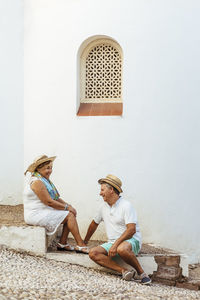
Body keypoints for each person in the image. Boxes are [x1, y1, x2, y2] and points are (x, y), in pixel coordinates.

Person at [84, 174, 151, 284]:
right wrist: (84, 242)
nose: (100, 193)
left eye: (102, 190)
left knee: (122, 249)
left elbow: (131, 230)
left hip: (131, 241)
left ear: (111, 190)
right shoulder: (103, 207)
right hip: (113, 243)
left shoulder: (126, 205)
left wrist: (115, 245)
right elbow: (94, 224)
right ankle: (124, 271)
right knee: (93, 253)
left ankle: (142, 274)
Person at [24, 155, 89, 254]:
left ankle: (62, 243)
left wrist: (69, 206)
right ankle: (80, 244)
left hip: (42, 211)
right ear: (39, 168)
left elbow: (55, 198)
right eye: (47, 168)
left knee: (69, 212)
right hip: (35, 214)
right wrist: (67, 207)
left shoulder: (43, 180)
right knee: (69, 215)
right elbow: (49, 202)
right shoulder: (37, 182)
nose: (50, 171)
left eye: (51, 168)